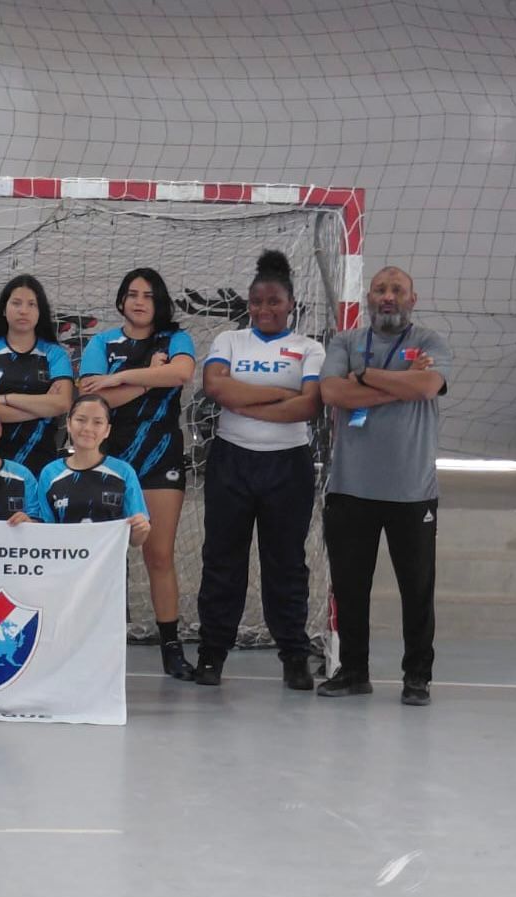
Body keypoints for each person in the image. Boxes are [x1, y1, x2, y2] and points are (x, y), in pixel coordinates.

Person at [317, 265, 451, 706]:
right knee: (351, 587)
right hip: (351, 489)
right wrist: (402, 386)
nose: (387, 296)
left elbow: (430, 385)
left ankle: (418, 677)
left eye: (397, 290)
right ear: (369, 298)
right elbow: (333, 394)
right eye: (380, 289)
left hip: (412, 493)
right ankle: (354, 671)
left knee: (417, 590)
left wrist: (366, 376)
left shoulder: (429, 343)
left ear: (413, 299)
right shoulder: (345, 342)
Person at [193, 250, 325, 689]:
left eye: (274, 302)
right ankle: (212, 653)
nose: (265, 310)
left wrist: (244, 397)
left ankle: (293, 655)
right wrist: (280, 396)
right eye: (257, 302)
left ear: (291, 305)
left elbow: (309, 405)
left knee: (285, 563)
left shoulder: (311, 348)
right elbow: (215, 388)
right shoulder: (230, 341)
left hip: (289, 466)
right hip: (232, 460)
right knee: (222, 560)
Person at [79, 267, 197, 678]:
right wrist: (150, 379)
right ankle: (92, 645)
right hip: (107, 458)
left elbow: (180, 374)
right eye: (132, 294)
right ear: (121, 301)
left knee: (158, 554)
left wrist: (123, 376)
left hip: (160, 457)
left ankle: (171, 649)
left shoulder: (175, 339)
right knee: (104, 558)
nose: (139, 301)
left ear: (158, 302)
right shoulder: (101, 342)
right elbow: (96, 397)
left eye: (148, 295)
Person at [0, 274, 73, 475]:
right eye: (16, 303)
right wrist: (43, 406)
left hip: (41, 458)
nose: (23, 310)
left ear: (40, 311)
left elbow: (63, 403)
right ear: (4, 310)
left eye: (32, 304)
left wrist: (6, 399)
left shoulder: (55, 354)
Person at [38, 394, 151, 547]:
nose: (88, 428)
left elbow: (136, 540)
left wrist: (141, 529)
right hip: (63, 568)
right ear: (69, 424)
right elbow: (42, 532)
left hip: (110, 568)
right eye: (80, 420)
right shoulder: (50, 473)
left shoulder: (123, 472)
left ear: (107, 430)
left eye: (97, 422)